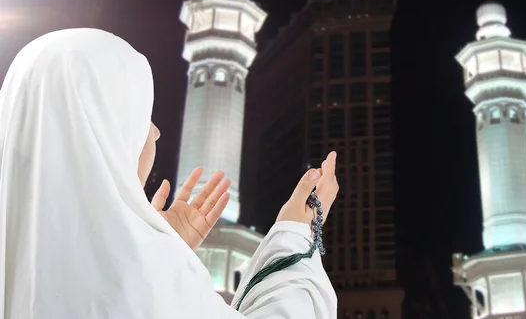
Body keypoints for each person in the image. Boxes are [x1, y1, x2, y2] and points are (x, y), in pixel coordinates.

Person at [0, 28, 338, 318]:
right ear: (101, 128)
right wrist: (296, 233)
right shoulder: (138, 289)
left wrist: (161, 258)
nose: (155, 132)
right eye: (140, 114)